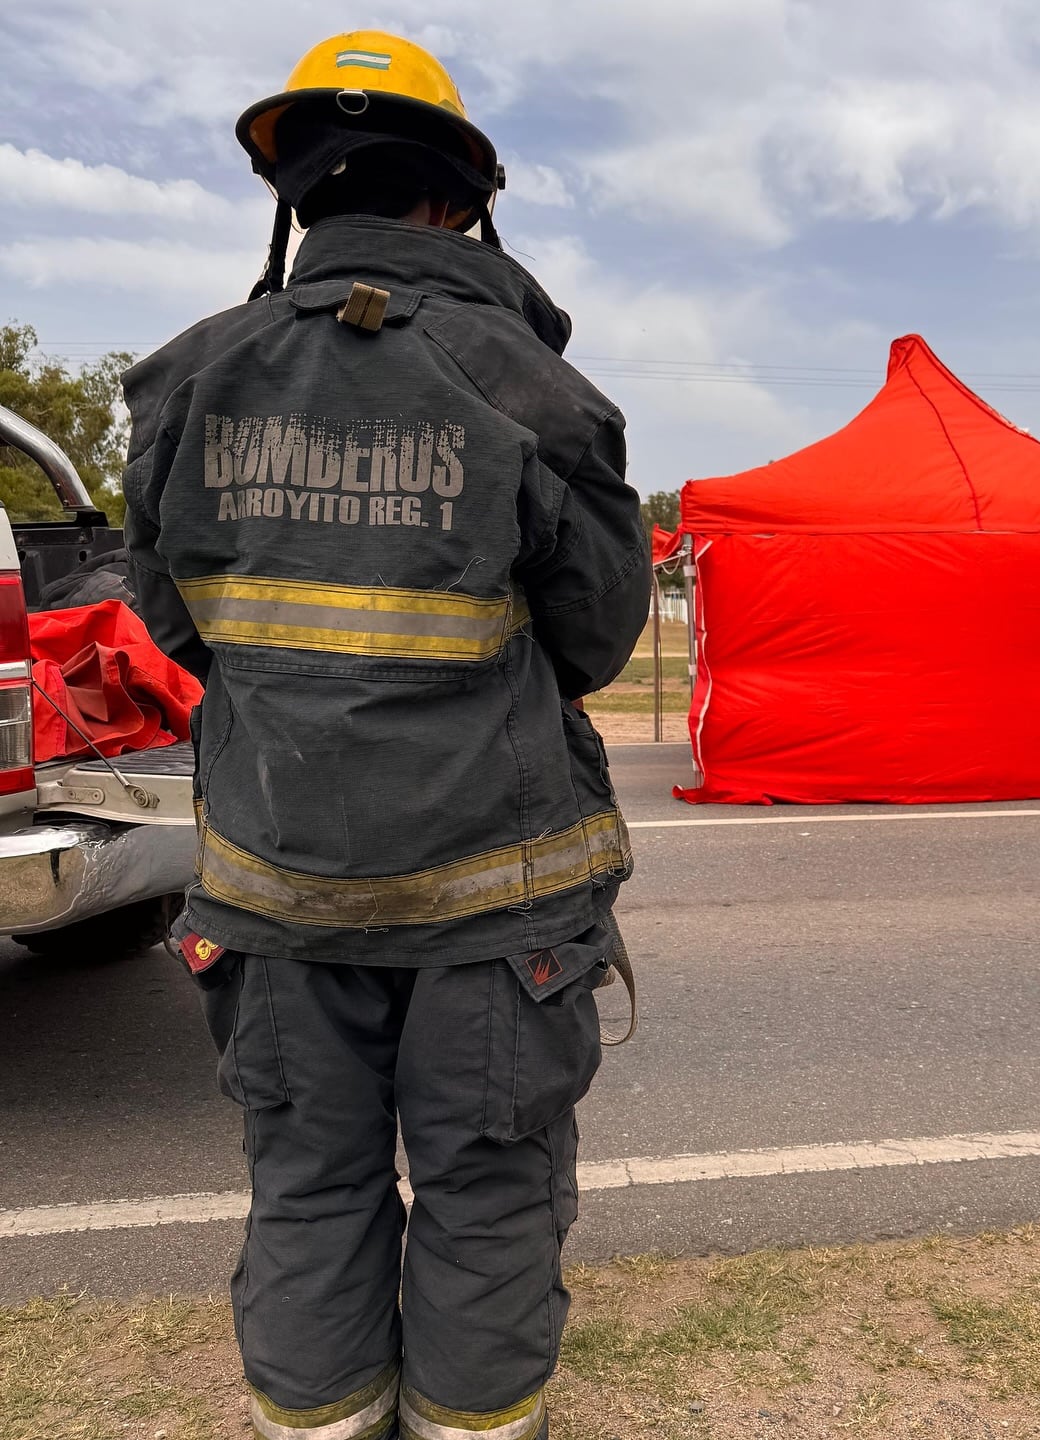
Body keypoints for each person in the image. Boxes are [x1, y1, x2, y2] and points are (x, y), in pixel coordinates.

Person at [122, 31, 650, 1440]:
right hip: (497, 909)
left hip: (274, 896)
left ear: (296, 198)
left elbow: (177, 625)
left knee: (307, 1185)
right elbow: (596, 639)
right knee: (485, 1193)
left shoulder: (185, 383)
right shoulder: (537, 391)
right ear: (456, 201)